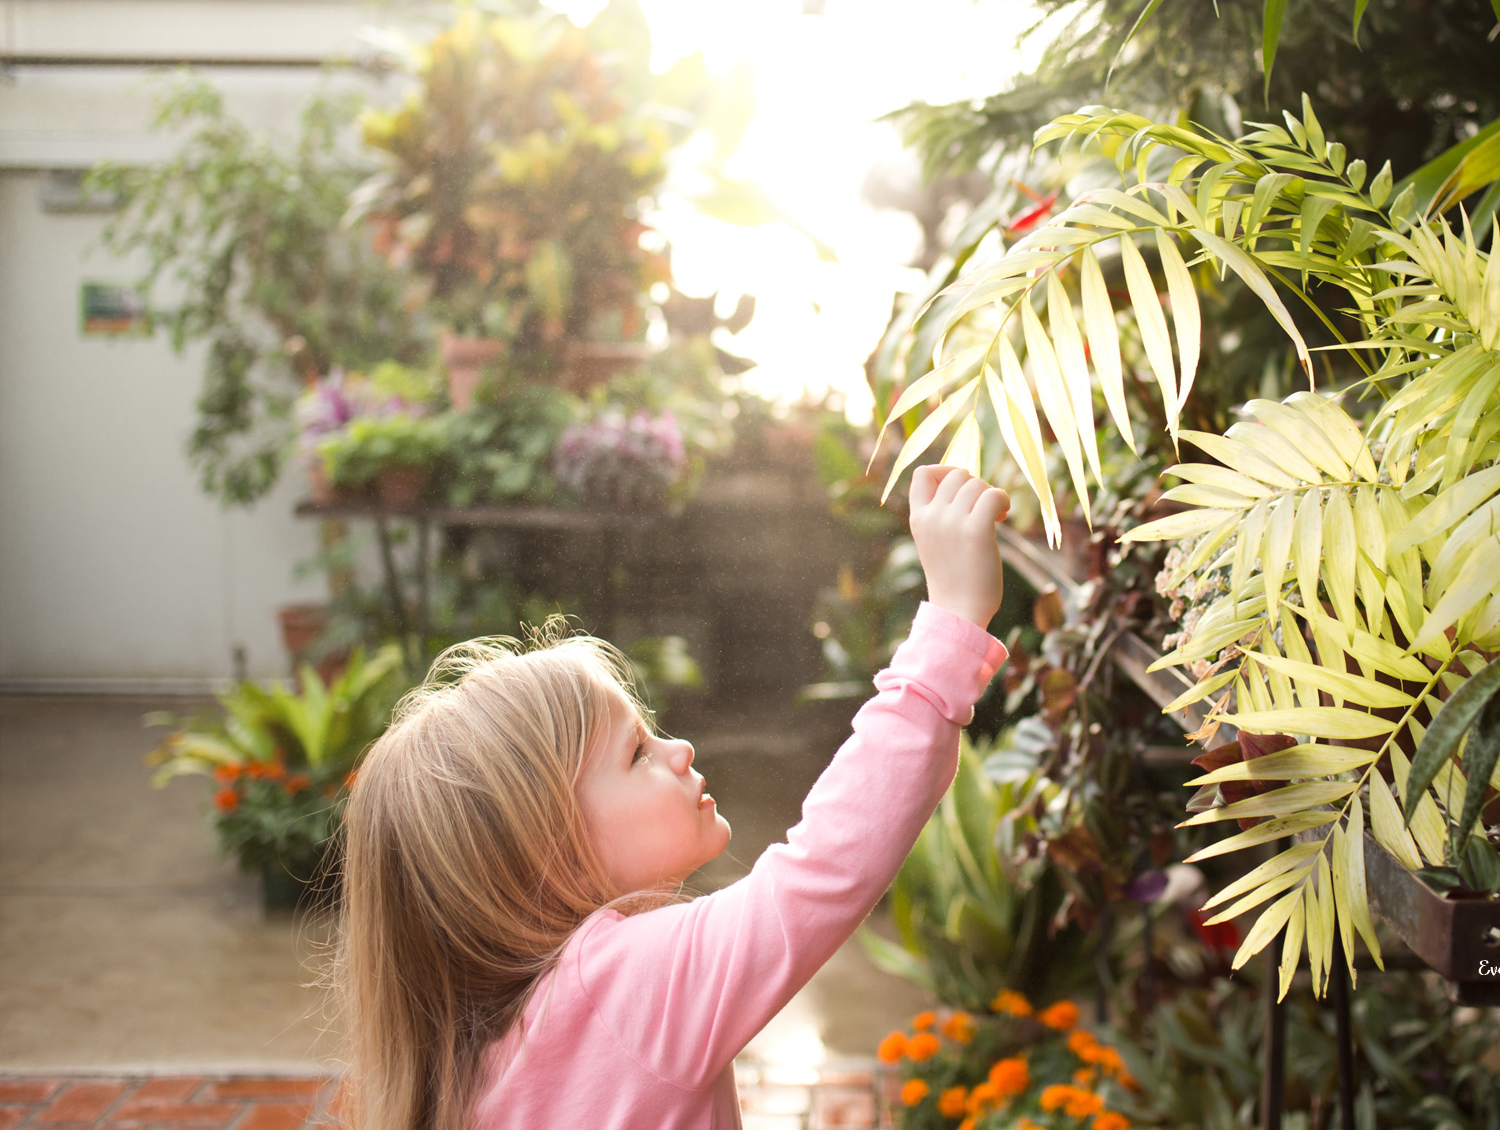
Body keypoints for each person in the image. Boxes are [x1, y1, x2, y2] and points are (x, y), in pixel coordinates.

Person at [334, 465, 1011, 1130]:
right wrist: (952, 619)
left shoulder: (460, 1065)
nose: (678, 748)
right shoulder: (623, 986)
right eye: (636, 753)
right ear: (548, 851)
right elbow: (824, 868)